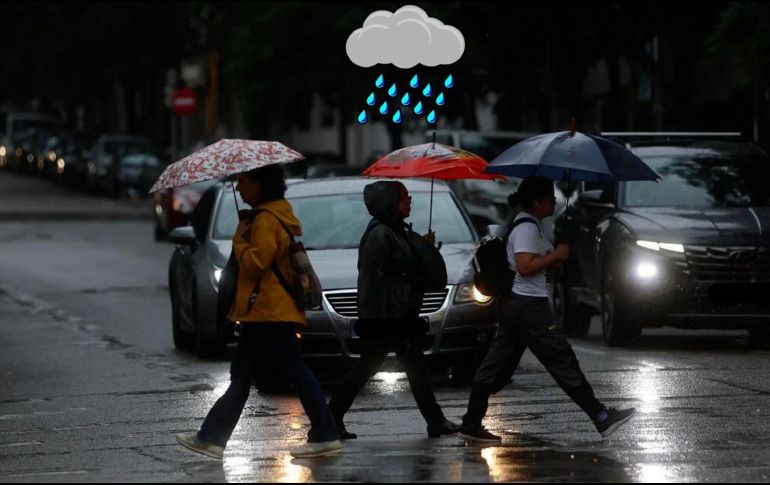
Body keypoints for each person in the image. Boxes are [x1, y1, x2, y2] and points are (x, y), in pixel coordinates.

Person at [176, 165, 341, 459]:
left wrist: (240, 239)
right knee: (245, 374)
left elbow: (256, 263)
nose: (239, 189)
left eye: (243, 182)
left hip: (269, 310)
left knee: (288, 370)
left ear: (259, 185)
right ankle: (212, 436)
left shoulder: (266, 220)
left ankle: (325, 433)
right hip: (265, 310)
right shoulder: (273, 215)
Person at [459, 175, 635, 443]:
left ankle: (471, 422)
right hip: (529, 308)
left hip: (517, 307)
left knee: (495, 365)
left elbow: (532, 264)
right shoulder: (527, 228)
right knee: (562, 360)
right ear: (537, 201)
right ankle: (601, 417)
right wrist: (556, 256)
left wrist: (554, 258)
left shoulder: (528, 226)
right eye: (550, 197)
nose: (554, 200)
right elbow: (525, 266)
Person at [328, 181, 460, 440]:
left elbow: (400, 266)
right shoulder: (380, 235)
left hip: (396, 314)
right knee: (386, 367)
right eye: (402, 197)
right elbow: (379, 280)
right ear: (390, 202)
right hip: (388, 317)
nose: (409, 200)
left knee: (404, 367)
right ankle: (331, 418)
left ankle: (332, 418)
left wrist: (421, 246)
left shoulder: (394, 231)